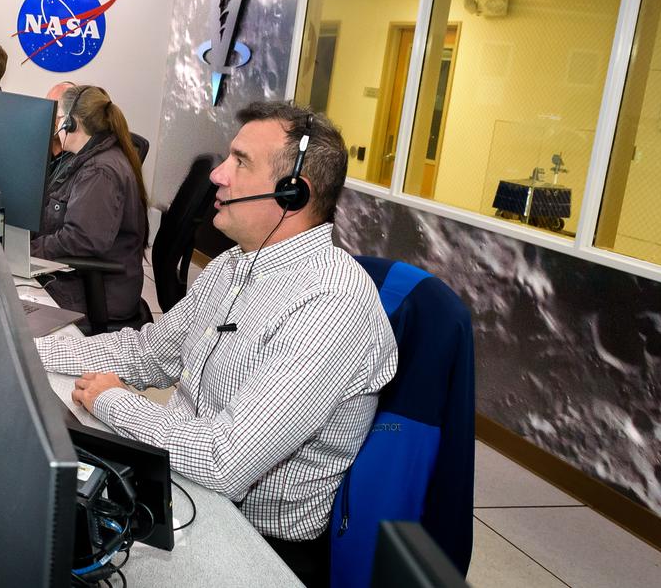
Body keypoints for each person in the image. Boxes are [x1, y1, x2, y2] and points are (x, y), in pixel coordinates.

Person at [35, 101, 398, 587]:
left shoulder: (332, 304)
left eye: (240, 162)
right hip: (180, 484)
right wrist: (31, 349)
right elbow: (146, 353)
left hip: (252, 543)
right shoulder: (233, 266)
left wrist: (113, 402)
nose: (218, 175)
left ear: (292, 193)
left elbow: (224, 460)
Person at [31, 85, 147, 325]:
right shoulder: (84, 158)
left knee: (3, 301)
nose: (55, 125)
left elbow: (80, 240)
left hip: (94, 292)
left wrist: (28, 251)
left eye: (59, 118)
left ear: (71, 123)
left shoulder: (100, 172)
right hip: (77, 279)